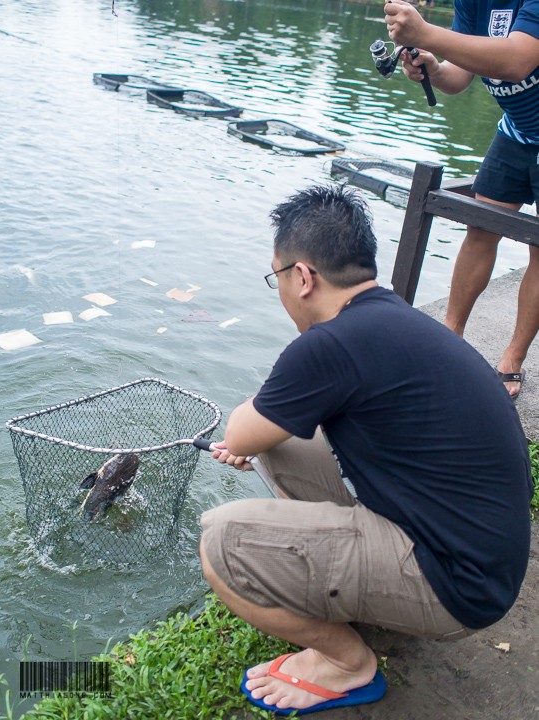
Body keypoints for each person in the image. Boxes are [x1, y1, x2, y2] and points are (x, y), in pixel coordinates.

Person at [199, 185, 533, 716]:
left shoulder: (330, 344)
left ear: (303, 277)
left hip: (455, 588)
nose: (281, 291)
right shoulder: (393, 319)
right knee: (286, 439)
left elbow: (239, 435)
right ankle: (350, 584)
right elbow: (267, 435)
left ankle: (348, 665)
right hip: (481, 560)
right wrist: (268, 426)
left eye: (277, 277)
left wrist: (257, 425)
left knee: (223, 540)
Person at [384, 0, 539, 399]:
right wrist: (435, 68)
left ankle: (512, 360)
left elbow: (517, 60)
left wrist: (424, 33)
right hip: (517, 132)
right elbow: (460, 76)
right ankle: (450, 339)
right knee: (481, 229)